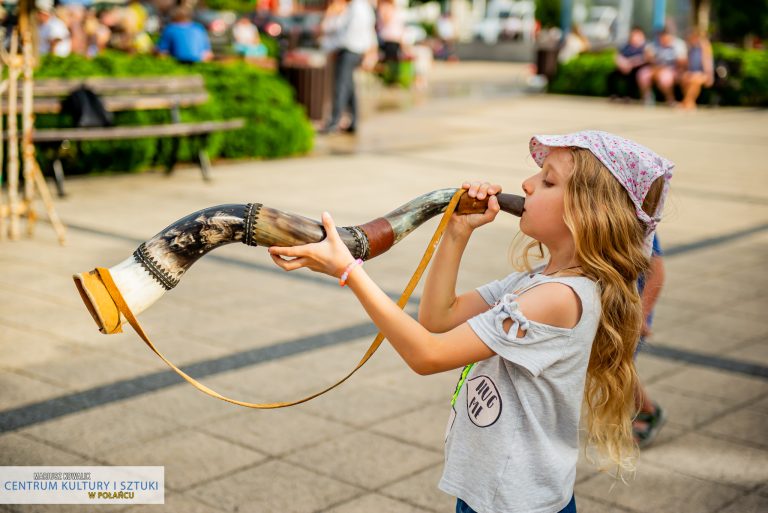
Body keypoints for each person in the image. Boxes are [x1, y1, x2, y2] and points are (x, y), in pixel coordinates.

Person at [268, 130, 673, 513]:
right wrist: (457, 232)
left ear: (589, 214)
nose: (528, 184)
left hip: (516, 502)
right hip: (494, 492)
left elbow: (426, 355)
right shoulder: (537, 282)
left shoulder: (559, 297)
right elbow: (437, 317)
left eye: (548, 181)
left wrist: (349, 271)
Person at [319, 0, 376, 135]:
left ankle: (334, 122)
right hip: (354, 50)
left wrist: (333, 46)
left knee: (341, 86)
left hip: (349, 50)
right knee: (349, 86)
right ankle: (353, 121)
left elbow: (347, 32)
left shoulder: (356, 7)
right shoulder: (360, 7)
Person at [632, 234, 667, 448]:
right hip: (611, 306)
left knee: (619, 366)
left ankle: (648, 411)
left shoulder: (640, 221)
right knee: (613, 364)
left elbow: (657, 272)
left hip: (634, 311)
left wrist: (642, 315)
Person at [639, 29, 687, 106]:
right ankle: (647, 98)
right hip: (655, 68)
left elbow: (682, 62)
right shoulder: (654, 44)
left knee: (664, 78)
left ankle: (670, 99)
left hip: (672, 69)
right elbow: (649, 57)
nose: (663, 40)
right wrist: (650, 57)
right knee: (643, 74)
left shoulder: (678, 44)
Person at [607, 26, 650, 100]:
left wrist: (631, 64)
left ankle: (630, 96)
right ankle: (614, 95)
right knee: (612, 75)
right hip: (624, 67)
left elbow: (645, 59)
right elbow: (618, 56)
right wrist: (623, 64)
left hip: (637, 69)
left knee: (633, 76)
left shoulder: (646, 47)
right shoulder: (626, 46)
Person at [680, 29, 714, 110]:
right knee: (685, 78)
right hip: (693, 73)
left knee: (695, 80)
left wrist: (709, 75)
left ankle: (686, 102)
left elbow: (707, 64)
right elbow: (688, 65)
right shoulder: (691, 49)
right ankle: (690, 103)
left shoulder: (705, 48)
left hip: (704, 74)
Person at [377, 0, 405, 85]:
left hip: (389, 39)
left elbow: (385, 20)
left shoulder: (386, 8)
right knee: (392, 62)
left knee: (389, 63)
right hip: (394, 39)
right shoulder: (396, 9)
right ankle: (391, 80)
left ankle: (390, 81)